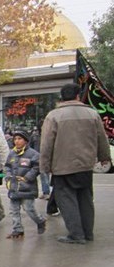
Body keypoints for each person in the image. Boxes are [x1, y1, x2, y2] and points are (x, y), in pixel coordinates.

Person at [39, 83, 110, 244]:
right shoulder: (92, 114)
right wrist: (104, 157)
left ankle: (76, 234)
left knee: (66, 200)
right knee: (85, 199)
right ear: (78, 96)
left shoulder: (53, 116)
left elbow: (46, 144)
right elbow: (102, 138)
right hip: (85, 165)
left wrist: (44, 166)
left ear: (62, 97)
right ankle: (88, 233)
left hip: (62, 166)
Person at [3, 131, 46, 239]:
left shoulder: (33, 154)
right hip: (14, 187)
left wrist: (27, 177)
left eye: (19, 139)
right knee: (14, 210)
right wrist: (8, 176)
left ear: (26, 141)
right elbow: (7, 166)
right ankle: (17, 230)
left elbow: (37, 167)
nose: (17, 141)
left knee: (29, 209)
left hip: (27, 187)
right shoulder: (12, 153)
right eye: (15, 139)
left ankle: (40, 221)